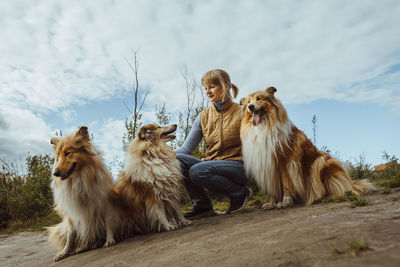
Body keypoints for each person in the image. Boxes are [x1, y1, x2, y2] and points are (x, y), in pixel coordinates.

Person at [175, 69, 251, 219]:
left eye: (212, 87)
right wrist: (159, 158)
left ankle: (240, 194)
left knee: (197, 171)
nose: (208, 92)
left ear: (227, 86)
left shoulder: (243, 111)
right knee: (177, 159)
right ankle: (202, 206)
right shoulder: (203, 116)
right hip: (211, 165)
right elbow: (186, 149)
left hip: (240, 167)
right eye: (205, 88)